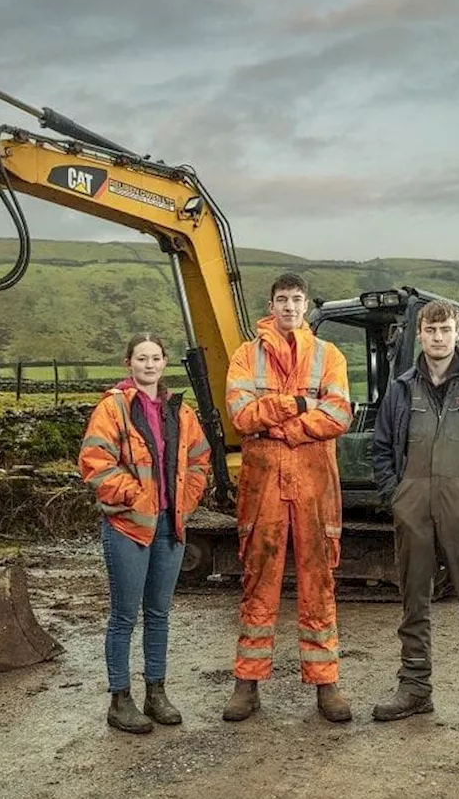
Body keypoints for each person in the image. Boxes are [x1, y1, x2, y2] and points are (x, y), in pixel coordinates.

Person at [370, 300, 459, 731]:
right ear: (420, 334)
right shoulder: (400, 388)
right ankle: (415, 688)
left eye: (445, 329)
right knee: (413, 599)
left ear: (458, 335)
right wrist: (394, 495)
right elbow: (381, 448)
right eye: (431, 330)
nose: (438, 337)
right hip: (412, 506)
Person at [221, 272, 355, 723]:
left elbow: (338, 412)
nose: (290, 307)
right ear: (271, 304)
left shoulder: (328, 355)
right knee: (258, 580)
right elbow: (240, 414)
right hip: (263, 483)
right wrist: (297, 405)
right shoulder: (245, 355)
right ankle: (247, 682)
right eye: (283, 300)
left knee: (319, 581)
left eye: (297, 300)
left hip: (314, 480)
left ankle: (326, 684)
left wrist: (283, 425)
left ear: (305, 305)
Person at [78, 332, 212, 734]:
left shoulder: (178, 410)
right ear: (128, 363)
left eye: (155, 358)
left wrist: (184, 502)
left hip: (170, 527)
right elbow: (95, 461)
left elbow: (199, 458)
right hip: (128, 528)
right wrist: (137, 496)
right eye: (141, 358)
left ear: (164, 363)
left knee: (159, 614)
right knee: (123, 615)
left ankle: (157, 693)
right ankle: (120, 700)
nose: (149, 365)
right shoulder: (113, 408)